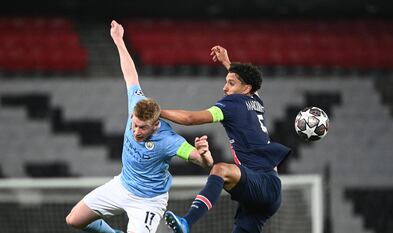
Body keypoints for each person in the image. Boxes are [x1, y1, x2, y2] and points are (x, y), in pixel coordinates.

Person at [65, 20, 214, 233]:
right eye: (134, 125)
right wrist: (118, 40)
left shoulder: (168, 140)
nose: (136, 131)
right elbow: (130, 74)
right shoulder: (136, 103)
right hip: (122, 185)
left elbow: (203, 163)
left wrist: (205, 154)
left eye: (142, 128)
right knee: (74, 219)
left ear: (156, 126)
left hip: (148, 201)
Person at [162, 45, 291, 233]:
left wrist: (158, 111)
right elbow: (246, 81)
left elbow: (190, 119)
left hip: (262, 185)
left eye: (230, 83)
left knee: (220, 170)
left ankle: (187, 222)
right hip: (265, 192)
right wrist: (227, 63)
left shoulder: (232, 103)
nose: (225, 88)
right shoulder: (256, 100)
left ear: (245, 88)